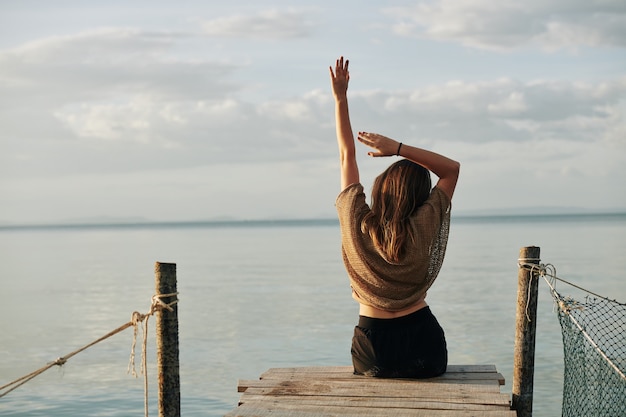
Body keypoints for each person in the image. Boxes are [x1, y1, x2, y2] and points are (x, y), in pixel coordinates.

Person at [329, 56, 460, 378]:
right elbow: (451, 169)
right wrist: (397, 147)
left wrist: (340, 98)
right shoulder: (426, 222)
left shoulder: (356, 218)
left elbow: (347, 153)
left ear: (381, 188)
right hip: (423, 340)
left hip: (373, 346)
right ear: (420, 195)